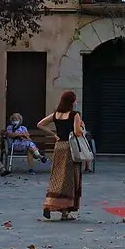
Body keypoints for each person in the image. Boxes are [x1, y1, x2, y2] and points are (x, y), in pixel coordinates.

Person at [38, 90, 85, 220]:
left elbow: (40, 124)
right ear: (72, 102)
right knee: (69, 180)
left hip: (59, 147)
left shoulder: (56, 114)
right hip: (71, 148)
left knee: (57, 176)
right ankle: (65, 209)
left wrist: (54, 135)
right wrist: (81, 126)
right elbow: (77, 132)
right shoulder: (74, 115)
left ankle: (53, 206)